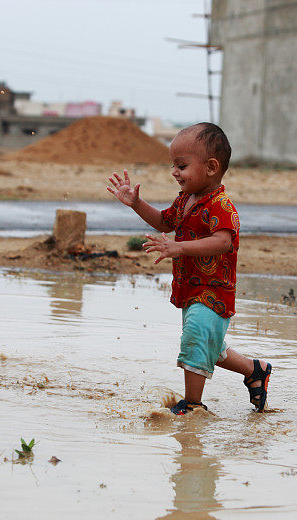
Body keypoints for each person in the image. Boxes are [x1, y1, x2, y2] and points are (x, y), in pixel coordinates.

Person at [107, 122, 272, 414]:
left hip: (213, 291)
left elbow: (222, 242)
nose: (174, 172)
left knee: (196, 337)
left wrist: (178, 248)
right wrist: (135, 203)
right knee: (209, 344)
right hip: (191, 287)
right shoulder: (186, 200)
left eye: (181, 165)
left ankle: (193, 405)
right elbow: (163, 222)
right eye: (174, 165)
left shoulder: (222, 206)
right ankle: (255, 370)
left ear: (210, 167)